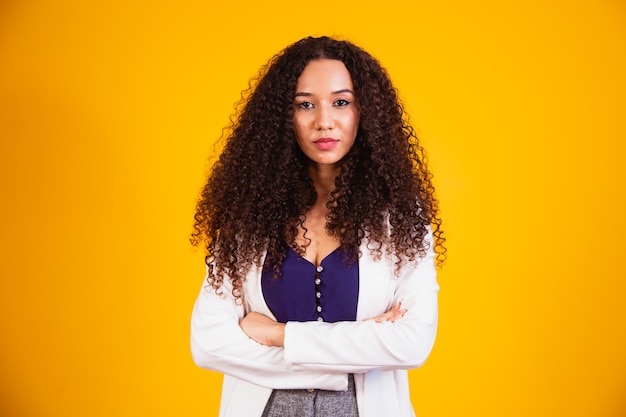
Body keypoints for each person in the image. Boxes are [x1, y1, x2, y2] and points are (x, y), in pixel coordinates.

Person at [190, 36, 445, 417]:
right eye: (305, 105)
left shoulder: (403, 221)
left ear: (365, 112)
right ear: (282, 117)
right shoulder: (248, 218)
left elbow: (411, 344)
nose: (324, 121)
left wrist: (279, 335)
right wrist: (356, 349)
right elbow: (208, 343)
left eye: (341, 102)